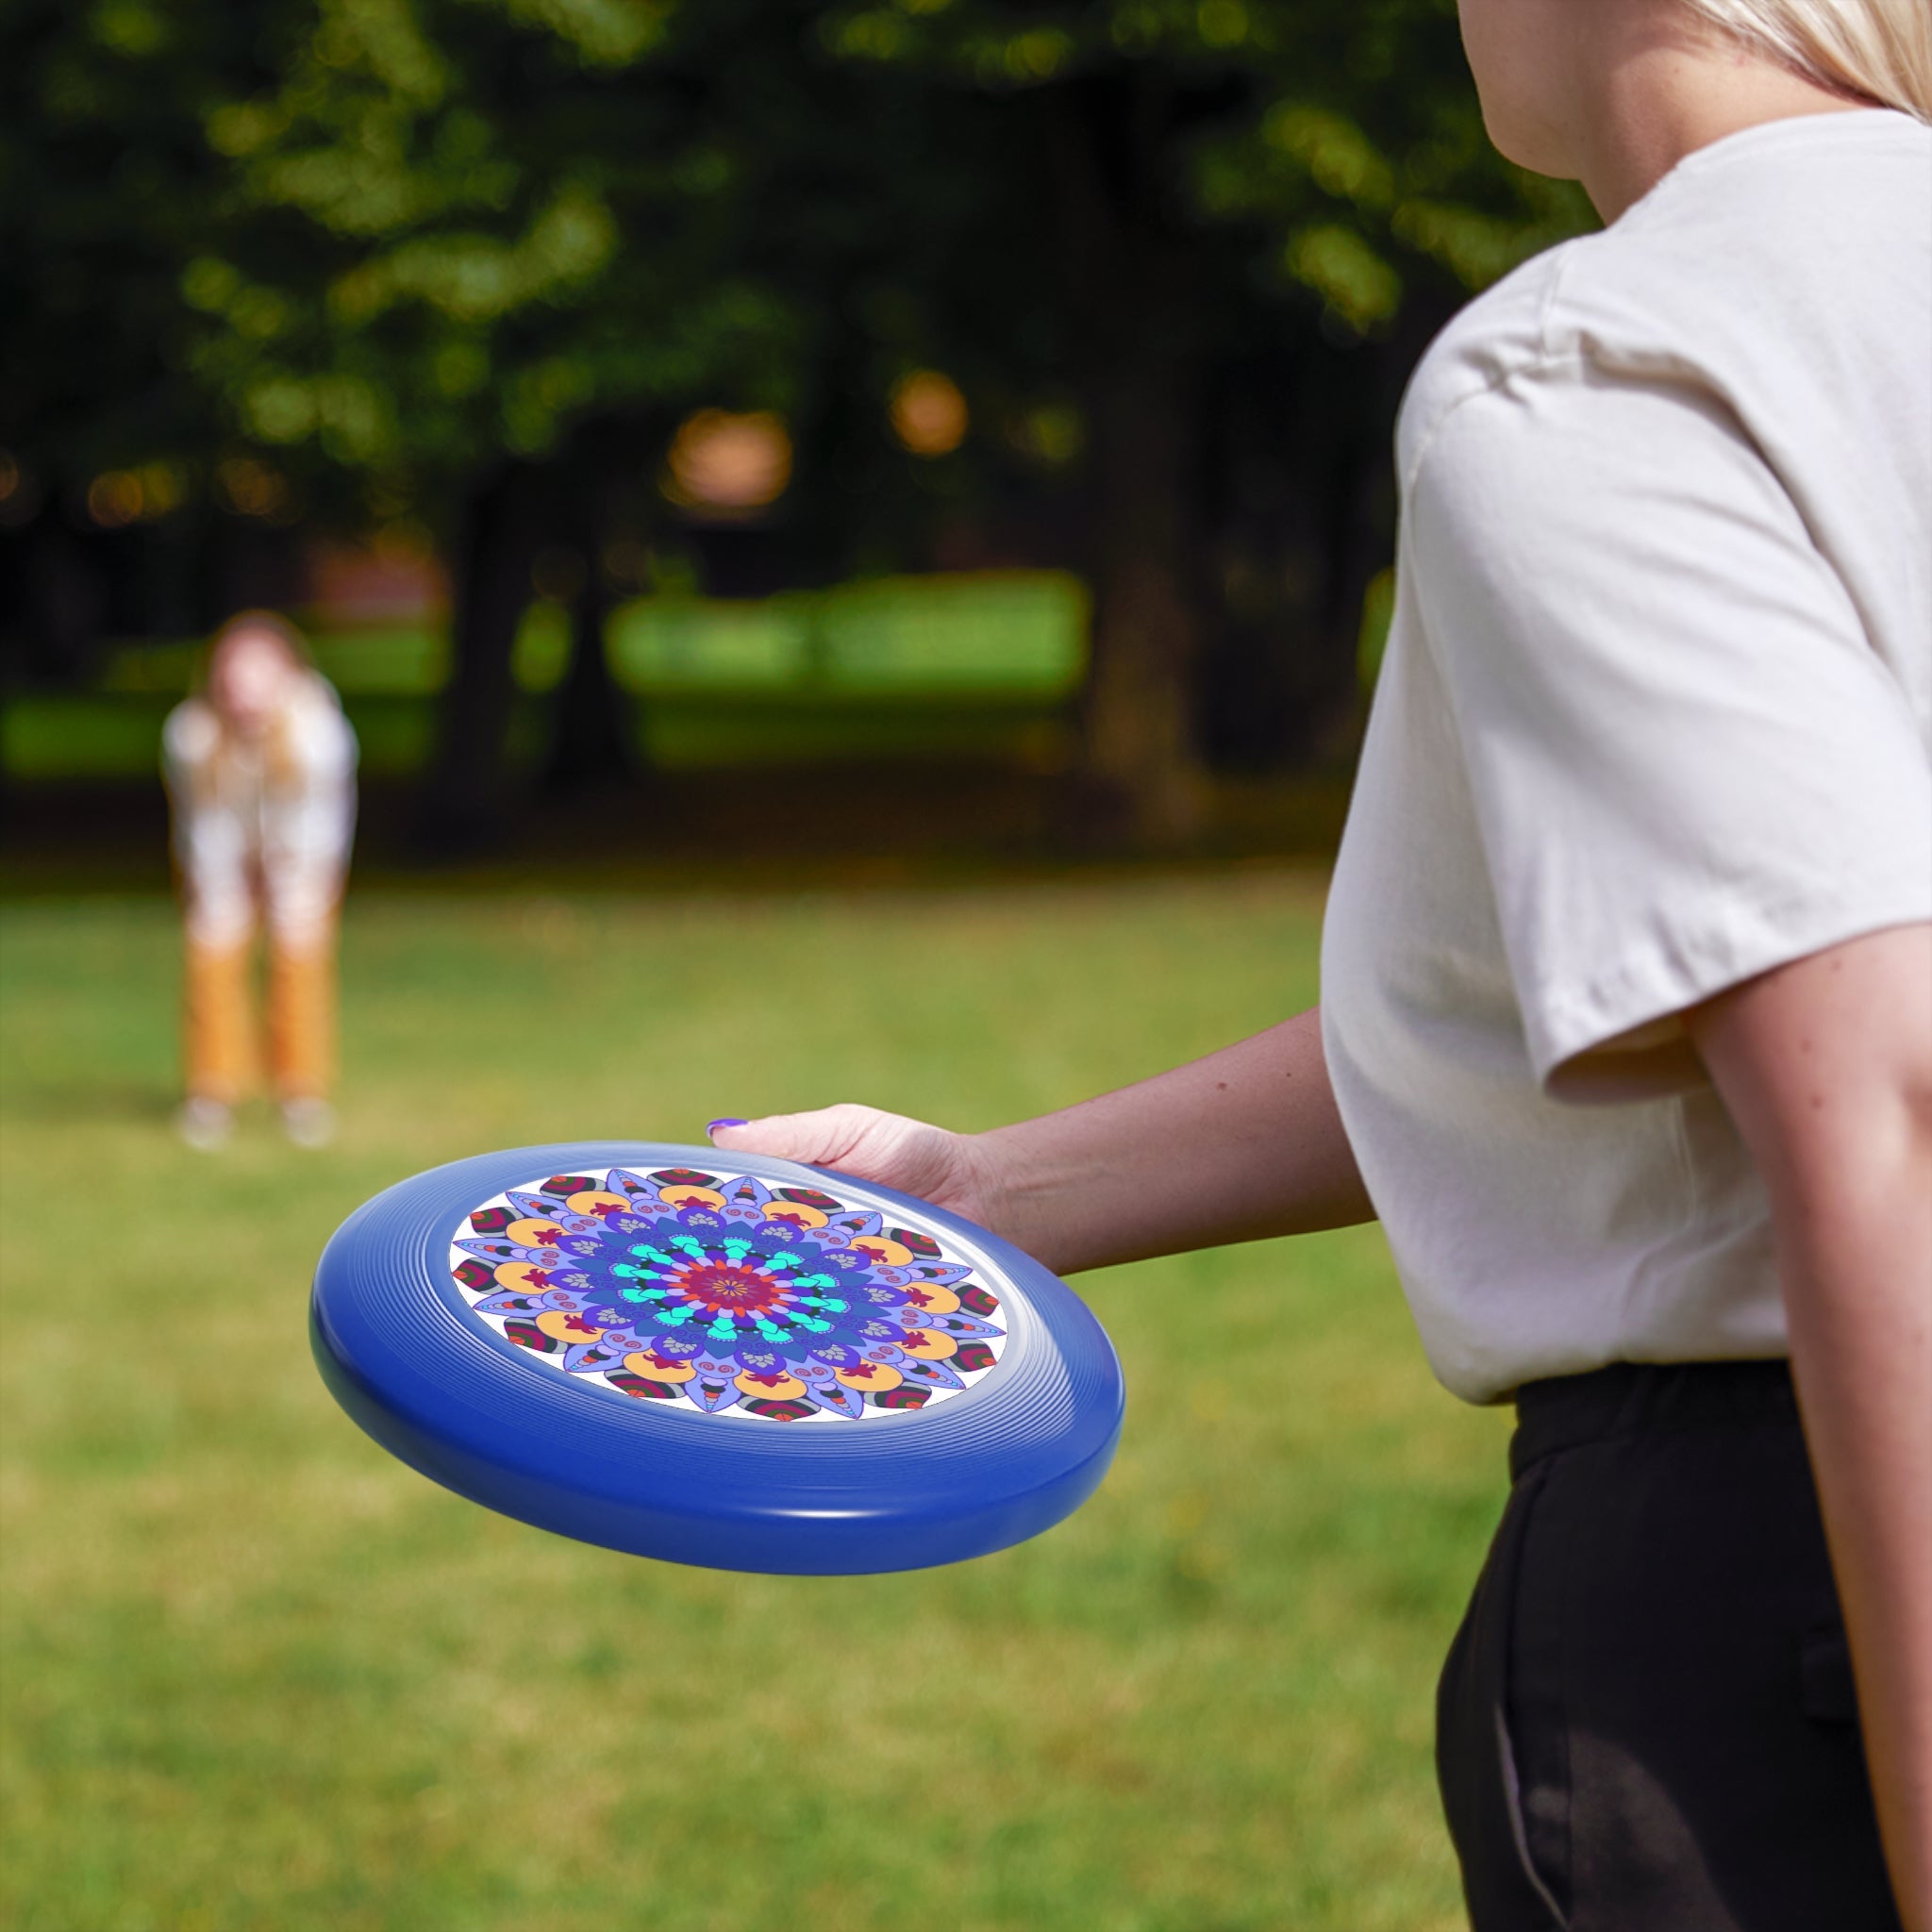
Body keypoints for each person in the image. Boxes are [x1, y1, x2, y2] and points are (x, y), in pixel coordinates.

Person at [705, 2, 1932, 1925]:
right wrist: (987, 1191)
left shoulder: (1608, 362)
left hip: (1794, 1593)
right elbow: (1622, 991)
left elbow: (1885, 1101)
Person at [162, 611, 358, 1150]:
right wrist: (224, 888)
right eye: (234, 675)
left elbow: (317, 824)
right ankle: (212, 1091)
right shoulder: (191, 735)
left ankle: (301, 1092)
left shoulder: (319, 734)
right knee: (212, 952)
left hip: (302, 858)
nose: (244, 690)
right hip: (221, 856)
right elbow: (204, 823)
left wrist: (287, 881)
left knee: (299, 958)